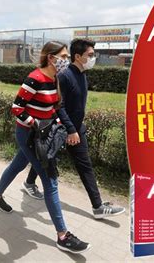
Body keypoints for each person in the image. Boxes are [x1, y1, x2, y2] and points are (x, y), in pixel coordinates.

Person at [0, 41, 91, 254]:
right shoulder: (34, 78)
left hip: (42, 134)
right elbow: (17, 108)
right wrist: (35, 124)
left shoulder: (55, 79)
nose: (65, 60)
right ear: (50, 57)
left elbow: (54, 107)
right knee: (50, 180)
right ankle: (63, 235)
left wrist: (59, 125)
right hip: (29, 135)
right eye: (62, 56)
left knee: (18, 164)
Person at [24, 38, 125, 219]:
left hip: (77, 129)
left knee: (84, 166)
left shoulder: (82, 74)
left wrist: (76, 129)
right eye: (91, 55)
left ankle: (98, 206)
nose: (94, 58)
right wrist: (70, 130)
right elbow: (58, 106)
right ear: (78, 56)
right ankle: (30, 183)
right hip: (63, 129)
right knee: (49, 157)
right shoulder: (64, 76)